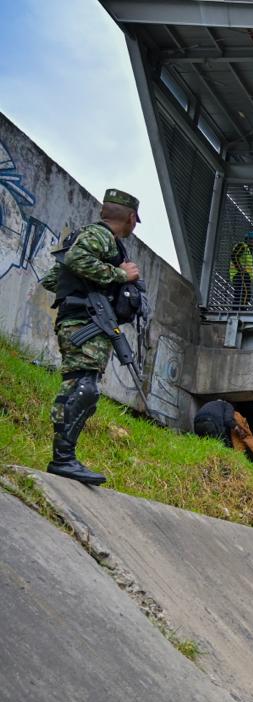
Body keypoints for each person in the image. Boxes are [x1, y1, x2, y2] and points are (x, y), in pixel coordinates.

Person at [42, 189, 144, 485]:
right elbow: (76, 259)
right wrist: (119, 276)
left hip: (86, 323)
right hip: (82, 324)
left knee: (81, 387)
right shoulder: (100, 237)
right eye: (136, 220)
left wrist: (88, 288)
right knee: (83, 390)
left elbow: (54, 279)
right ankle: (63, 460)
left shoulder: (103, 242)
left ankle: (64, 458)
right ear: (131, 217)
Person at [192, 399, 253, 464]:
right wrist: (239, 430)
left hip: (197, 424)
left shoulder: (212, 404)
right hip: (211, 424)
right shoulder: (227, 405)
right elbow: (228, 420)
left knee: (205, 446)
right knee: (224, 446)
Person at [229, 229, 253, 307]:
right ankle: (240, 310)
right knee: (245, 293)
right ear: (248, 239)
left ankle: (238, 309)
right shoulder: (242, 246)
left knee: (242, 293)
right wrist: (240, 269)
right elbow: (234, 256)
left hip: (244, 276)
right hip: (240, 275)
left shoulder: (248, 251)